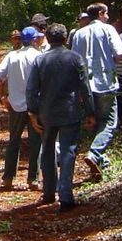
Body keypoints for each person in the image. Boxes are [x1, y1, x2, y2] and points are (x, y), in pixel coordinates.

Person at [26, 24, 95, 212]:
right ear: (65, 39)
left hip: (46, 113)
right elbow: (85, 88)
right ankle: (65, 196)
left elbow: (31, 89)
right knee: (68, 151)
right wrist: (90, 111)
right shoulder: (75, 58)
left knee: (47, 150)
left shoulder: (40, 60)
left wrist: (33, 112)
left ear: (47, 38)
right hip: (70, 111)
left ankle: (49, 191)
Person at [68, 3, 122, 178]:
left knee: (94, 121)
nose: (108, 16)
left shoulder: (79, 33)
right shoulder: (108, 29)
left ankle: (100, 166)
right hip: (106, 83)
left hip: (86, 85)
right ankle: (95, 153)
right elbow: (120, 53)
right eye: (106, 13)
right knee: (109, 122)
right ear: (100, 13)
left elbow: (75, 60)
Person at [0, 26, 43, 191]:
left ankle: (8, 178)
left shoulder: (12, 56)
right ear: (34, 40)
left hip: (16, 105)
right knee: (36, 142)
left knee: (14, 141)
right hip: (35, 106)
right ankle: (33, 179)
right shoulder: (39, 56)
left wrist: (2, 97)